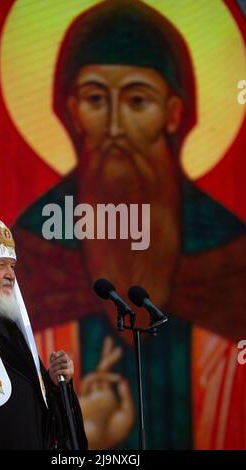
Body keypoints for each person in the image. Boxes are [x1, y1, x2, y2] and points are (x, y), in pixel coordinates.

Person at [13, 0, 246, 449]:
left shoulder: (232, 254)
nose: (116, 126)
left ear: (174, 112)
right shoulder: (33, 245)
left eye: (138, 100)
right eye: (96, 99)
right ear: (71, 111)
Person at [0, 212, 88, 449]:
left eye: (12, 265)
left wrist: (54, 385)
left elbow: (40, 418)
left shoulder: (13, 332)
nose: (10, 274)